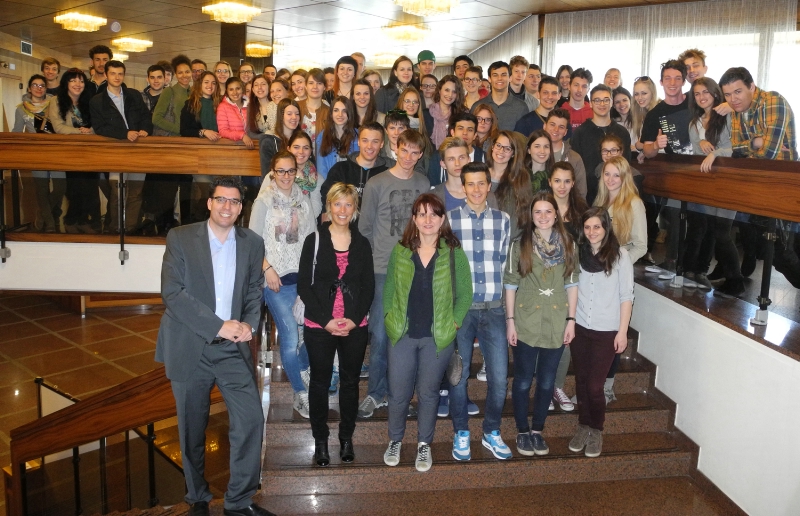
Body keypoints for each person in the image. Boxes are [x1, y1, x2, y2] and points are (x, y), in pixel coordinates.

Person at [155, 175, 276, 516]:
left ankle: (239, 501)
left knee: (251, 419)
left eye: (234, 201)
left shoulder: (252, 243)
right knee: (192, 428)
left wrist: (248, 323)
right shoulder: (180, 238)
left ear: (241, 208)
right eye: (221, 199)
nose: (227, 206)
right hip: (190, 344)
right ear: (209, 203)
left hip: (230, 349)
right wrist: (218, 325)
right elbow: (173, 294)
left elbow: (253, 290)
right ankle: (197, 496)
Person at [382, 193, 472, 473]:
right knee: (398, 393)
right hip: (403, 334)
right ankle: (395, 440)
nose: (428, 219)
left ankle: (424, 444)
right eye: (422, 214)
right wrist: (389, 318)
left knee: (429, 393)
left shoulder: (453, 252)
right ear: (414, 219)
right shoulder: (401, 250)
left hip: (437, 337)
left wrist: (454, 322)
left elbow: (465, 293)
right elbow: (389, 289)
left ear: (442, 219)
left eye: (434, 214)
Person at [298, 182, 374, 467]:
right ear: (329, 206)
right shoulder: (314, 240)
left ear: (355, 209)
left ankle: (346, 438)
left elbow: (368, 287)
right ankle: (320, 441)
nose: (343, 210)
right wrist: (327, 321)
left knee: (350, 383)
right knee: (319, 383)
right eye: (337, 204)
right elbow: (304, 286)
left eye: (348, 204)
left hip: (355, 325)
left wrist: (353, 320)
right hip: (320, 325)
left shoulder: (362, 244)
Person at [357, 130, 431, 419]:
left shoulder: (423, 182)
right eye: (405, 150)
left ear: (420, 155)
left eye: (415, 152)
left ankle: (399, 394)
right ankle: (376, 393)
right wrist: (368, 268)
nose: (409, 157)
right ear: (395, 149)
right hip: (381, 269)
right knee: (379, 333)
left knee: (406, 335)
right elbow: (364, 230)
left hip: (414, 269)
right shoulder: (377, 183)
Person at [446, 162, 512, 461]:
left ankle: (491, 431)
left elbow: (505, 264)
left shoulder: (503, 220)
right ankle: (461, 431)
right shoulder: (450, 220)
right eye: (470, 184)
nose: (476, 189)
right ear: (463, 187)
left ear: (489, 186)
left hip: (494, 310)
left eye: (481, 183)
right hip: (461, 312)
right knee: (458, 377)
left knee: (499, 379)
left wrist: (509, 311)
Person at [505, 191, 578, 456]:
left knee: (547, 382)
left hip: (556, 319)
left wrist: (571, 320)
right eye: (538, 211)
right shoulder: (520, 244)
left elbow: (572, 283)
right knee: (523, 380)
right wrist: (510, 321)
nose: (543, 216)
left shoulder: (569, 244)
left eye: (548, 211)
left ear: (556, 215)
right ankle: (522, 430)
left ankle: (537, 430)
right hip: (526, 319)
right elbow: (510, 284)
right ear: (531, 215)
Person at [249, 151, 316, 418]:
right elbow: (253, 243)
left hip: (303, 280)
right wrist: (267, 269)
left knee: (312, 332)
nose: (286, 176)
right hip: (276, 282)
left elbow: (312, 241)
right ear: (272, 173)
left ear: (296, 173)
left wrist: (311, 279)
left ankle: (303, 366)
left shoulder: (304, 200)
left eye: (290, 171)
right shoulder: (263, 201)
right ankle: (300, 393)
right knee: (290, 339)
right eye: (281, 171)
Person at [720, 66, 797, 292]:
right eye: (727, 94)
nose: (733, 99)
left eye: (738, 92)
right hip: (758, 187)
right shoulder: (738, 110)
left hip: (784, 185)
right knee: (769, 252)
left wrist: (754, 146)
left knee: (784, 253)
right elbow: (736, 150)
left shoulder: (773, 102)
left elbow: (769, 154)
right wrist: (756, 142)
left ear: (752, 87)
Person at [568, 207, 633, 459]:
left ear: (606, 227)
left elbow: (626, 296)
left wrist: (622, 332)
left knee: (595, 386)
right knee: (581, 382)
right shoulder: (578, 253)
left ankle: (596, 429)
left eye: (597, 226)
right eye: (587, 227)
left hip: (607, 331)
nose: (592, 232)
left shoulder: (620, 256)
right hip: (581, 327)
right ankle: (583, 425)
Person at [89, 60, 152, 234]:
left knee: (135, 192)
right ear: (106, 75)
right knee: (117, 192)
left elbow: (146, 116)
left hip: (137, 149)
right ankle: (115, 228)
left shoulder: (134, 95)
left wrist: (145, 129)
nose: (117, 77)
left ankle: (130, 228)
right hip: (116, 151)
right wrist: (125, 133)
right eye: (113, 73)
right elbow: (100, 127)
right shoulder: (97, 101)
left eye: (120, 74)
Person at [548, 162, 589, 412]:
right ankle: (544, 386)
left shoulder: (582, 211)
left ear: (573, 183)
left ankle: (557, 386)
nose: (561, 186)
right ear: (550, 182)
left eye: (566, 181)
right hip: (544, 282)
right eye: (557, 180)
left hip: (571, 281)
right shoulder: (542, 208)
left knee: (565, 334)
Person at [48, 68, 98, 234]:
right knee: (75, 188)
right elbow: (58, 127)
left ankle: (82, 220)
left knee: (89, 189)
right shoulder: (56, 101)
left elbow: (97, 124)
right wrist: (80, 132)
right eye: (73, 80)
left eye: (81, 81)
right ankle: (70, 220)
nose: (78, 84)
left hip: (89, 153)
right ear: (66, 83)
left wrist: (90, 130)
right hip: (69, 153)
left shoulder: (89, 101)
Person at [14, 74, 63, 233]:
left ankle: (41, 216)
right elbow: (17, 132)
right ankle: (49, 223)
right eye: (35, 85)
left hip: (56, 152)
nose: (38, 88)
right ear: (29, 88)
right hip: (37, 153)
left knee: (60, 187)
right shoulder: (21, 109)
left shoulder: (54, 103)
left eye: (42, 85)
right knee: (41, 190)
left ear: (46, 88)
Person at [570, 84, 632, 204]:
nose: (602, 104)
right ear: (591, 104)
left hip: (618, 196)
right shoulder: (580, 133)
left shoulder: (622, 132)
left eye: (606, 100)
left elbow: (626, 164)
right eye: (597, 100)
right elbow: (575, 168)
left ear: (612, 102)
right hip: (589, 196)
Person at [180, 71, 222, 222]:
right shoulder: (190, 104)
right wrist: (203, 132)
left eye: (213, 83)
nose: (210, 85)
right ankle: (197, 221)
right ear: (199, 84)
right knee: (207, 190)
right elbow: (184, 130)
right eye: (206, 82)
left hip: (219, 156)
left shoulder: (221, 104)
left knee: (217, 192)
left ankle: (213, 223)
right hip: (199, 156)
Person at [321, 121, 391, 207]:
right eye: (365, 140)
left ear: (382, 144)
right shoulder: (340, 169)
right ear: (358, 142)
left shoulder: (387, 174)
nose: (369, 146)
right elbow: (327, 198)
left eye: (375, 141)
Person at [594, 156, 647, 265]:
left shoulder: (635, 204)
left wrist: (620, 264)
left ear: (624, 177)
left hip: (618, 264)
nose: (610, 179)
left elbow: (641, 246)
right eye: (607, 174)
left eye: (616, 175)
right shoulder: (599, 201)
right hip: (598, 262)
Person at [470, 61, 528, 131]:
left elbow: (523, 136)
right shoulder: (477, 106)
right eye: (495, 75)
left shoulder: (521, 107)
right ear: (489, 79)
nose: (499, 78)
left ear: (510, 78)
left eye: (503, 75)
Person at [545, 108, 588, 200]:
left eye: (561, 127)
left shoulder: (575, 158)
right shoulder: (536, 155)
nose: (556, 129)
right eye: (552, 124)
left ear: (565, 132)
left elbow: (581, 193)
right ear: (544, 126)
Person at [315, 96, 359, 179]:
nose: (340, 115)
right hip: (328, 183)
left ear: (350, 113)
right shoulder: (322, 136)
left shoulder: (358, 136)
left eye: (344, 111)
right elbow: (321, 169)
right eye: (336, 110)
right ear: (331, 114)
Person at [259, 99, 302, 179]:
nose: (294, 117)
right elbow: (267, 175)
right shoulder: (269, 141)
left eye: (297, 114)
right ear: (281, 116)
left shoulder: (302, 139)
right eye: (289, 114)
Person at [288, 131, 323, 219]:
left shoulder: (318, 179)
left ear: (311, 151)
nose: (301, 152)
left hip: (308, 224)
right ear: (288, 149)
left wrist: (298, 222)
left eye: (306, 148)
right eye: (296, 147)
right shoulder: (275, 174)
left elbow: (316, 207)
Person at [424, 74, 465, 148]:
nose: (450, 95)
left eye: (454, 92)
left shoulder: (460, 115)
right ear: (439, 90)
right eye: (447, 90)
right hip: (430, 154)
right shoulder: (426, 114)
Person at [217, 77, 254, 149]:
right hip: (233, 146)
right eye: (231, 89)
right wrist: (242, 135)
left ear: (242, 89)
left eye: (238, 88)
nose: (235, 92)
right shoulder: (222, 107)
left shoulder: (250, 105)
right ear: (227, 91)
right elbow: (223, 131)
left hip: (252, 144)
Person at [298, 68, 330, 147]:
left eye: (319, 83)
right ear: (306, 86)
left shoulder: (329, 112)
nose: (315, 87)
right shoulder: (296, 107)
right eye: (311, 83)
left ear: (324, 87)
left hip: (321, 153)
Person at [524, 129, 555, 193]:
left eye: (546, 146)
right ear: (528, 150)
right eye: (537, 146)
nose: (542, 151)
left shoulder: (555, 177)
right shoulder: (518, 176)